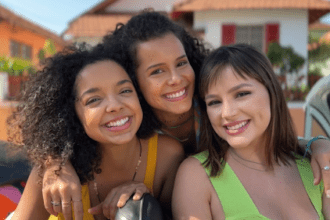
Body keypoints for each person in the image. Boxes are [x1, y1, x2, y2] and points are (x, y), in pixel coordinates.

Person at [41, 11, 330, 220]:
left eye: (181, 63)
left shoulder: (210, 105)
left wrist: (318, 144)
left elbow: (269, 141)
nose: (176, 78)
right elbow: (70, 133)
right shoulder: (128, 130)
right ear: (131, 79)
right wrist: (55, 163)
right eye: (157, 71)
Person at [7, 45, 184, 220]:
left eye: (125, 91)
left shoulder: (167, 156)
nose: (115, 106)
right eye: (94, 99)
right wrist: (53, 164)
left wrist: (146, 202)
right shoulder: (55, 169)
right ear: (70, 113)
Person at [172, 44, 330, 219]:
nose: (227, 113)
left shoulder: (315, 166)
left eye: (241, 94)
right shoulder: (196, 175)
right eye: (214, 102)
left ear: (272, 92)